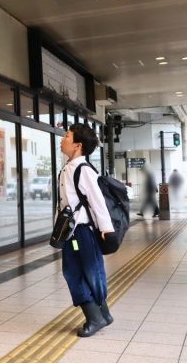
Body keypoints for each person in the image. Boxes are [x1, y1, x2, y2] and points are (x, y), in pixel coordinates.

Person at [59, 123, 116, 337]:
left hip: (83, 232)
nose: (62, 139)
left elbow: (97, 201)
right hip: (72, 231)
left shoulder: (83, 170)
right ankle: (103, 315)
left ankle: (95, 318)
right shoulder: (68, 167)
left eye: (67, 136)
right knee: (79, 272)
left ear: (78, 145)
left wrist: (106, 229)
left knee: (85, 272)